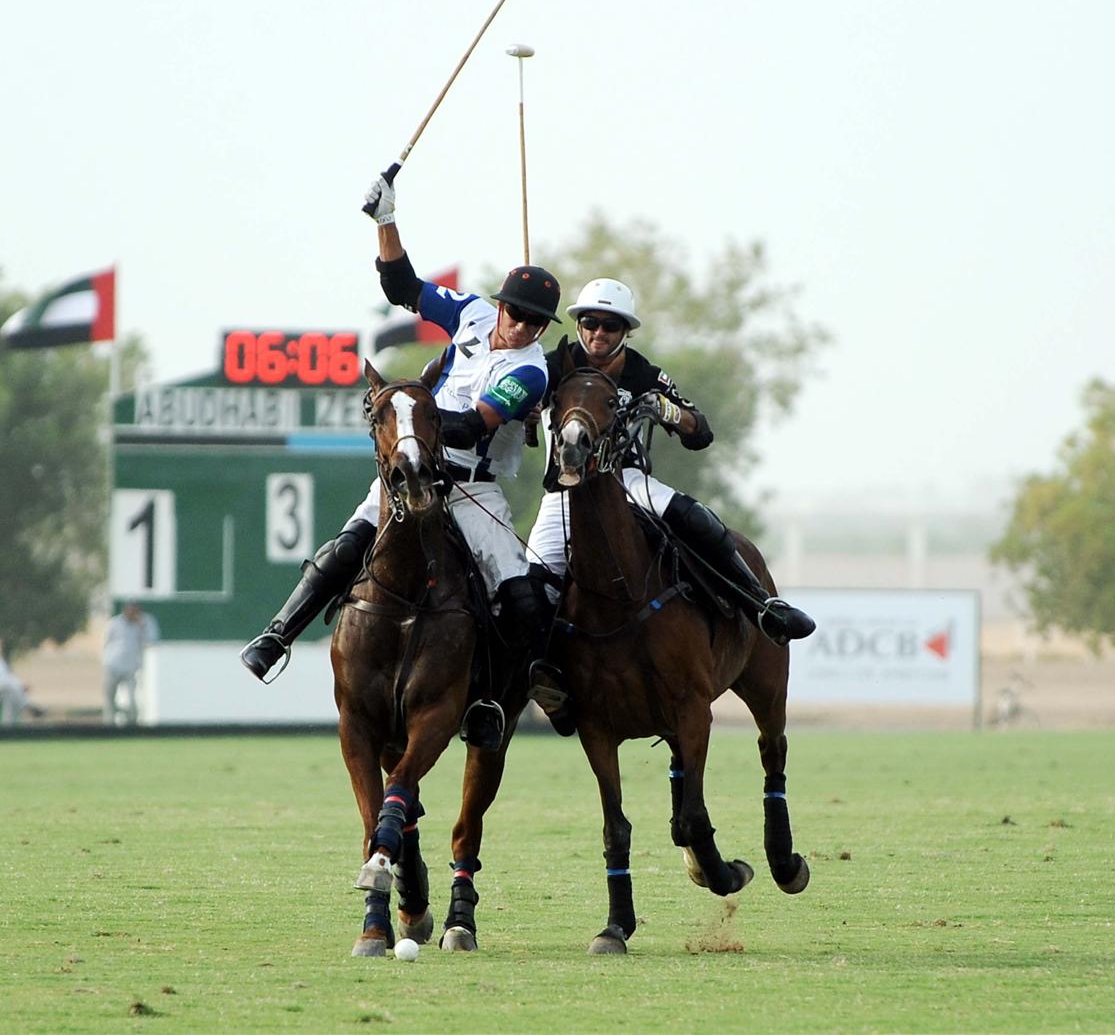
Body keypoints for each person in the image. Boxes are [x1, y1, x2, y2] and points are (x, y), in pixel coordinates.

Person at [239, 170, 560, 750]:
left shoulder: (531, 370)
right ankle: (277, 635)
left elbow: (471, 423)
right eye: (515, 312)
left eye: (534, 321)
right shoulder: (472, 313)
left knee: (519, 594)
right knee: (347, 545)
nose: (519, 326)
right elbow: (402, 285)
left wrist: (418, 417)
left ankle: (498, 695)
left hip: (472, 488)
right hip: (413, 466)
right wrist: (386, 220)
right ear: (501, 305)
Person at [525, 277, 816, 726]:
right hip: (563, 493)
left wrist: (667, 411)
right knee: (531, 588)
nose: (598, 334)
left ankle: (761, 604)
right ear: (579, 325)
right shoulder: (550, 367)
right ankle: (547, 683)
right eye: (590, 323)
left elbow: (701, 431)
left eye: (610, 326)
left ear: (625, 332)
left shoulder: (643, 373)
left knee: (689, 513)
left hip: (627, 484)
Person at [102, 599, 160, 726]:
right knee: (109, 697)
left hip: (131, 667)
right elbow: (106, 642)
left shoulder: (145, 623)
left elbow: (152, 641)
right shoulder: (115, 623)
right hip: (113, 665)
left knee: (132, 698)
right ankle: (109, 724)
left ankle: (132, 723)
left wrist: (142, 628)